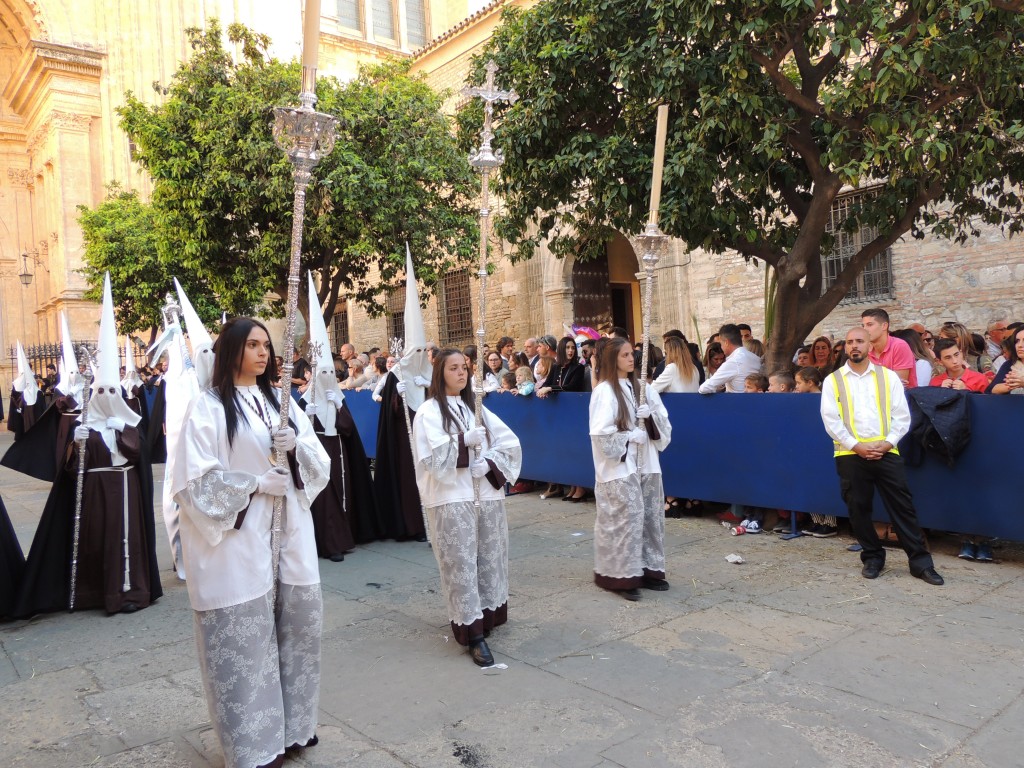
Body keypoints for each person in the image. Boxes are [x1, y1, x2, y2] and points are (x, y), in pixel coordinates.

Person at [171, 316, 331, 768]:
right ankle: (254, 744)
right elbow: (193, 480)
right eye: (253, 345)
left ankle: (293, 726)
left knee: (296, 628)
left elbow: (318, 461)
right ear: (232, 350)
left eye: (266, 345)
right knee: (246, 641)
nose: (264, 353)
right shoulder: (207, 407)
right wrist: (256, 484)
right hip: (236, 538)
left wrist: (296, 443)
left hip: (289, 531)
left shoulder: (278, 402)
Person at [15, 274, 163, 618]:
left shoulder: (127, 423)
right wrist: (75, 444)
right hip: (95, 491)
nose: (108, 397)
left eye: (114, 392)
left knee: (127, 544)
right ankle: (97, 593)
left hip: (124, 487)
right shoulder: (84, 425)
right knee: (100, 541)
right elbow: (70, 470)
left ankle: (131, 592)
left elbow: (137, 454)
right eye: (102, 392)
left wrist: (121, 432)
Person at [412, 349, 522, 666]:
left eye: (465, 367)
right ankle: (472, 633)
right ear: (440, 373)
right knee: (460, 563)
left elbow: (508, 441)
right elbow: (430, 457)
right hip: (452, 498)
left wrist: (487, 462)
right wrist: (463, 442)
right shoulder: (429, 412)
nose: (462, 373)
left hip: (483, 495)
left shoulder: (475, 408)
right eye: (453, 368)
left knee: (489, 558)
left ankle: (487, 616)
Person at [820, 327, 943, 586]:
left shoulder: (888, 377)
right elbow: (831, 420)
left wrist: (887, 444)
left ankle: (921, 563)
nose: (854, 346)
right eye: (850, 342)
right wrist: (856, 446)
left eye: (860, 341)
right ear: (845, 348)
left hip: (886, 452)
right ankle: (873, 557)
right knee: (858, 509)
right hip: (850, 453)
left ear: (869, 346)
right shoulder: (834, 380)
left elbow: (902, 416)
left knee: (903, 508)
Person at [589, 337, 672, 601]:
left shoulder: (642, 387)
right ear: (612, 359)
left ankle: (648, 569)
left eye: (630, 354)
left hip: (646, 460)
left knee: (650, 516)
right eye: (624, 354)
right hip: (621, 465)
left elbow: (664, 422)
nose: (630, 359)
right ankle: (621, 575)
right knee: (627, 517)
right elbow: (601, 434)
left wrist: (651, 419)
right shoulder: (604, 391)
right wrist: (627, 436)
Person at [302, 275, 378, 557]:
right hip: (316, 451)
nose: (326, 378)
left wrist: (337, 406)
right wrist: (305, 415)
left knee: (342, 493)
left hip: (338, 452)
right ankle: (327, 540)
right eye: (321, 373)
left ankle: (346, 533)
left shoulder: (339, 397)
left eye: (330, 374)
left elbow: (347, 428)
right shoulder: (303, 401)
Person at [699, 324, 763, 394]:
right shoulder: (756, 358)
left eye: (721, 343)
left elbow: (704, 388)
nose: (721, 347)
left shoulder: (733, 362)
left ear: (726, 342)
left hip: (737, 403)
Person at [861, 308, 917, 386]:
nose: (865, 329)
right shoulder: (865, 350)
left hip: (903, 397)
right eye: (863, 325)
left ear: (884, 326)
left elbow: (898, 384)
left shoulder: (899, 345)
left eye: (870, 324)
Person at [987, 326, 1024, 395]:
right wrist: (1012, 384)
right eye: (1017, 341)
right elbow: (991, 391)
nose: (1020, 345)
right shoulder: (1009, 364)